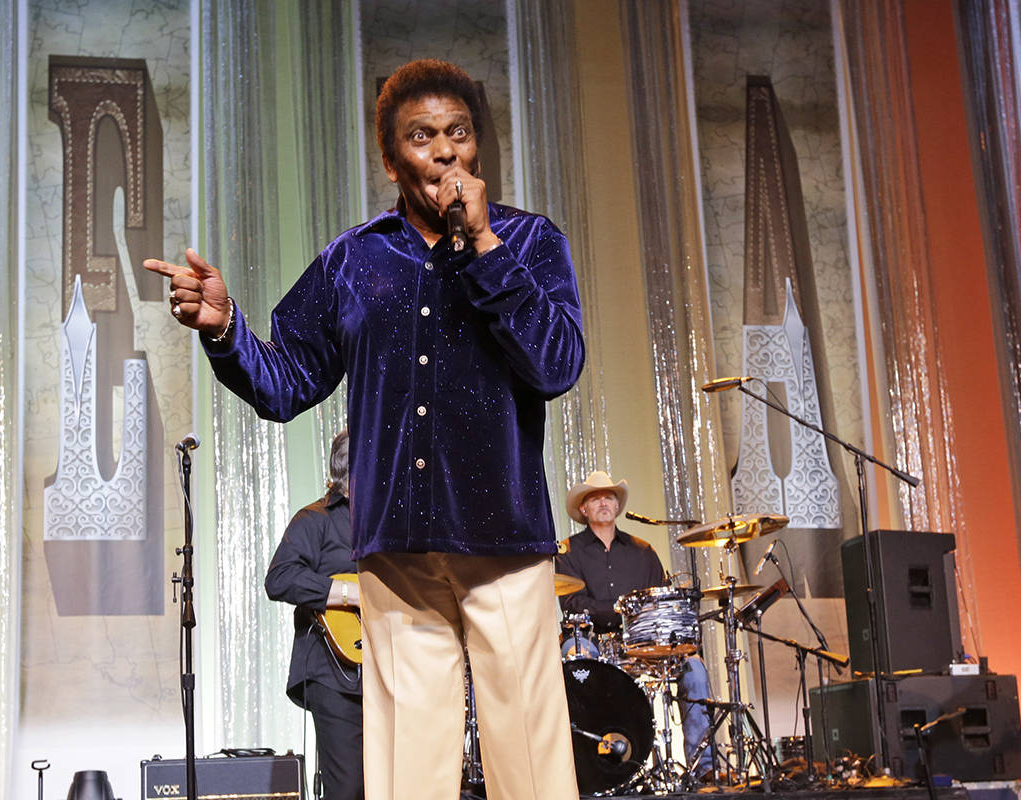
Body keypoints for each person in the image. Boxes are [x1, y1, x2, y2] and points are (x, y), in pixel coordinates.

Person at [145, 59, 583, 800]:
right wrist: (225, 331)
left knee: (532, 765)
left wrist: (484, 247)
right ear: (391, 158)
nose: (444, 151)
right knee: (405, 773)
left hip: (503, 543)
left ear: (476, 148)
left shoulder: (528, 242)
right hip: (397, 556)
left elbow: (556, 363)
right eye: (422, 136)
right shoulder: (354, 259)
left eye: (459, 133)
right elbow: (286, 383)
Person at [557, 470, 716, 777]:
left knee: (694, 668)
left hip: (643, 645)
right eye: (595, 498)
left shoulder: (643, 551)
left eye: (609, 497)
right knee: (576, 655)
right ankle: (593, 767)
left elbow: (661, 605)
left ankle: (703, 768)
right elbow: (574, 605)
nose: (603, 502)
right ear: (583, 510)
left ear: (617, 507)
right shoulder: (568, 550)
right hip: (592, 641)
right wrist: (623, 609)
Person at [265, 430, 363, 800]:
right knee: (349, 787)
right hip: (335, 675)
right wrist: (349, 593)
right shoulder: (314, 519)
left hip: (393, 669)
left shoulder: (392, 526)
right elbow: (279, 579)